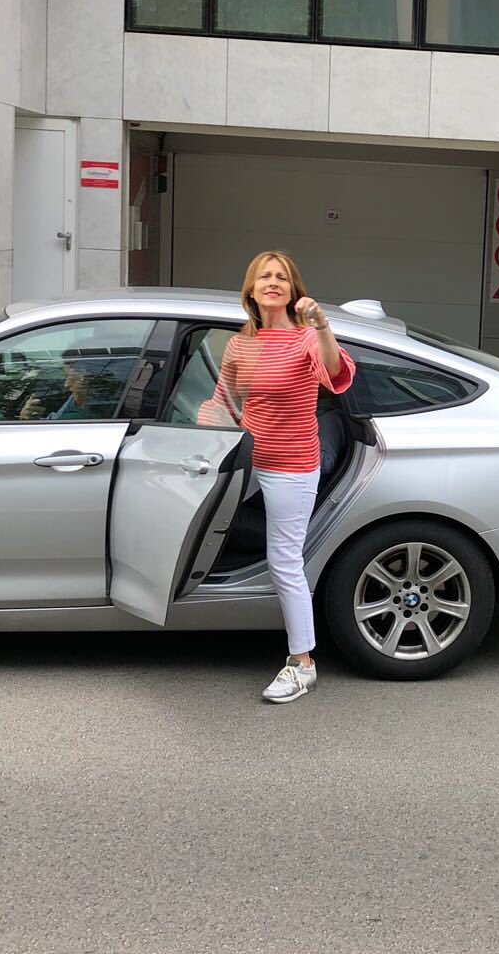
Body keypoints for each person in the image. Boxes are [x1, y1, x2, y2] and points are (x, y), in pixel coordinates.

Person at [197, 250, 355, 704]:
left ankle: (302, 664)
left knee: (283, 561)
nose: (273, 282)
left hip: (291, 465)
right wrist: (193, 439)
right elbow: (223, 402)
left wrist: (322, 325)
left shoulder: (306, 338)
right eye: (264, 276)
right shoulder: (240, 344)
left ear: (293, 289)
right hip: (246, 458)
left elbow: (336, 372)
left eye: (281, 277)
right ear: (250, 289)